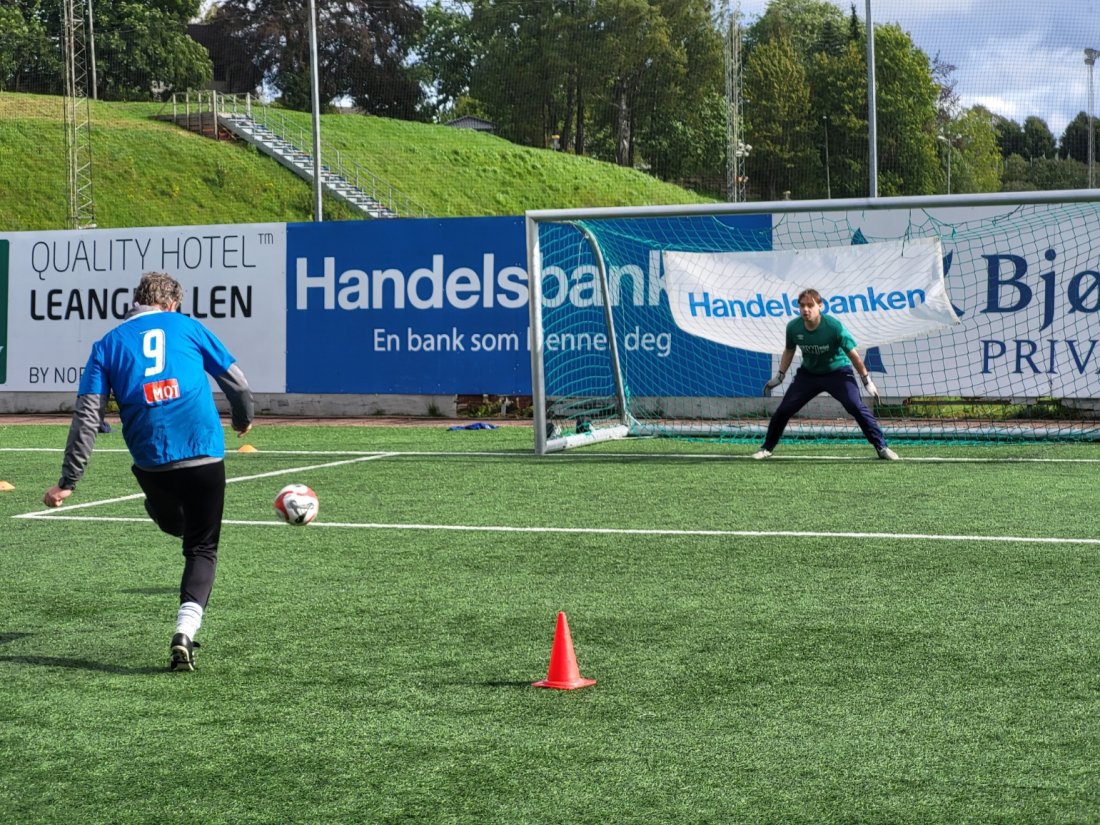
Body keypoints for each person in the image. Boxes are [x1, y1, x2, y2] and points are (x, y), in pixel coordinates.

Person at [43, 272, 255, 671]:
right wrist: (243, 420)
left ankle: (160, 509)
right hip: (204, 452)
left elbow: (86, 417)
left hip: (151, 462)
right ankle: (185, 632)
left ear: (136, 301)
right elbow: (238, 384)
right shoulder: (189, 327)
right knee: (201, 546)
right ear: (172, 304)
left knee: (175, 523)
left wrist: (68, 482)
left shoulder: (107, 344)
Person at [753, 288, 898, 461]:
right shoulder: (793, 327)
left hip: (838, 373)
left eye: (810, 305)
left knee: (855, 407)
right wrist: (780, 376)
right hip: (808, 375)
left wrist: (867, 381)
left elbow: (854, 355)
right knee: (784, 410)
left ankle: (882, 447)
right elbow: (789, 350)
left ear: (820, 306)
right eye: (802, 306)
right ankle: (767, 448)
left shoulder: (833, 327)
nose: (805, 309)